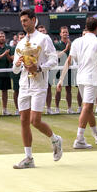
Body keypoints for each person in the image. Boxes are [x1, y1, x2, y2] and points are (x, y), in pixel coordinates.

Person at [13, 9, 62, 169]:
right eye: (22, 21)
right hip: (24, 84)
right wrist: (17, 64)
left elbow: (54, 60)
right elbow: (14, 69)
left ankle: (55, 139)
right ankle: (28, 158)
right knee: (23, 121)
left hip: (39, 84)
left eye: (26, 20)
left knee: (35, 120)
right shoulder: (20, 43)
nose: (23, 23)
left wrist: (39, 68)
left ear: (34, 20)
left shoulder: (44, 38)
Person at [57, 17, 97, 149]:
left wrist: (61, 79)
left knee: (88, 108)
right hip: (91, 79)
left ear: (86, 27)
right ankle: (79, 139)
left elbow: (68, 61)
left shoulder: (76, 41)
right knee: (87, 107)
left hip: (80, 79)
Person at [53, 26, 73, 114]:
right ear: (60, 34)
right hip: (59, 69)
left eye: (66, 32)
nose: (65, 34)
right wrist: (65, 49)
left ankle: (69, 108)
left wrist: (70, 47)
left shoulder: (71, 44)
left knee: (69, 89)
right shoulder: (57, 44)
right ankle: (57, 108)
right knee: (58, 89)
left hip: (69, 69)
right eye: (63, 32)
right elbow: (57, 56)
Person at [11, 31, 25, 116]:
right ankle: (17, 109)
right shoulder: (14, 48)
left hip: (26, 73)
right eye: (20, 38)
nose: (22, 39)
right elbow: (13, 59)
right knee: (16, 90)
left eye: (23, 37)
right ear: (17, 39)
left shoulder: (30, 48)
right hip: (17, 72)